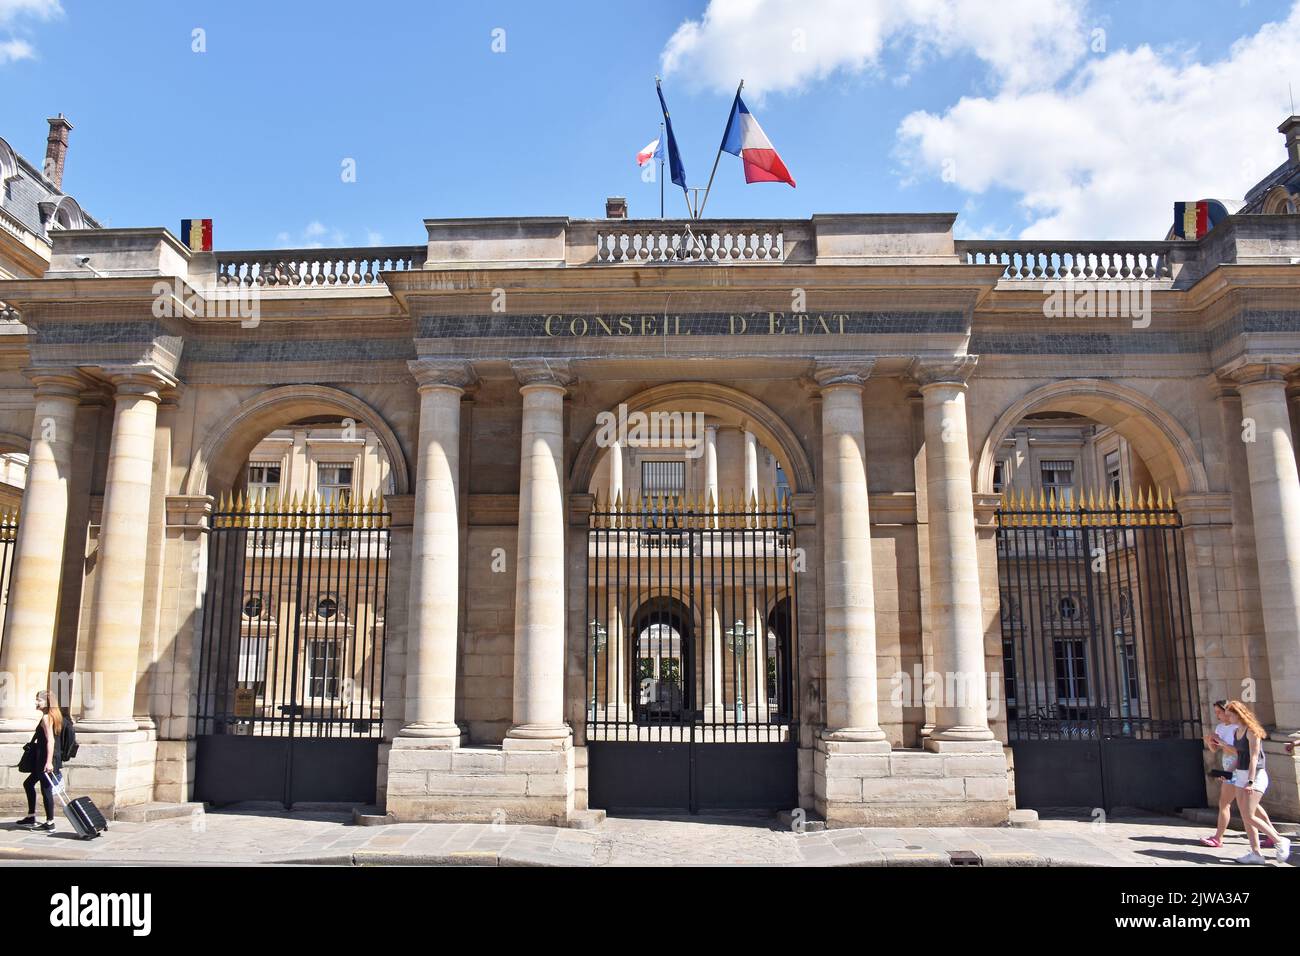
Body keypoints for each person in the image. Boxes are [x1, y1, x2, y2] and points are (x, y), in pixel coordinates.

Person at [1200, 700, 1276, 849]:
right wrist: (1211, 741)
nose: (1219, 716)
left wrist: (1221, 742)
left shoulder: (1243, 729)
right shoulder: (1223, 727)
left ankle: (1219, 837)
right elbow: (1216, 750)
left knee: (1228, 805)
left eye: (1220, 712)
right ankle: (1267, 840)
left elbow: (1241, 753)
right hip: (1231, 766)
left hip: (1242, 769)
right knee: (1250, 808)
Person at [1224, 700, 1291, 864]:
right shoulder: (1236, 732)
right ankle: (1256, 853)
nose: (1227, 718)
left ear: (1238, 714)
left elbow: (1254, 757)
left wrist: (1251, 781)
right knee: (1245, 816)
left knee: (1249, 814)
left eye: (1229, 715)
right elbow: (1240, 756)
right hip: (1240, 774)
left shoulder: (1251, 731)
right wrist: (1226, 773)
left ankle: (1279, 840)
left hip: (1255, 775)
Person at [15, 690, 63, 833]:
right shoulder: (55, 716)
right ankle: (31, 816)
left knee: (46, 789)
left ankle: (50, 822)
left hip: (44, 759)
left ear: (47, 702)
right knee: (28, 783)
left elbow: (51, 741)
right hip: (44, 758)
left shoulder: (47, 718)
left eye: (39, 700)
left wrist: (48, 762)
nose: (36, 702)